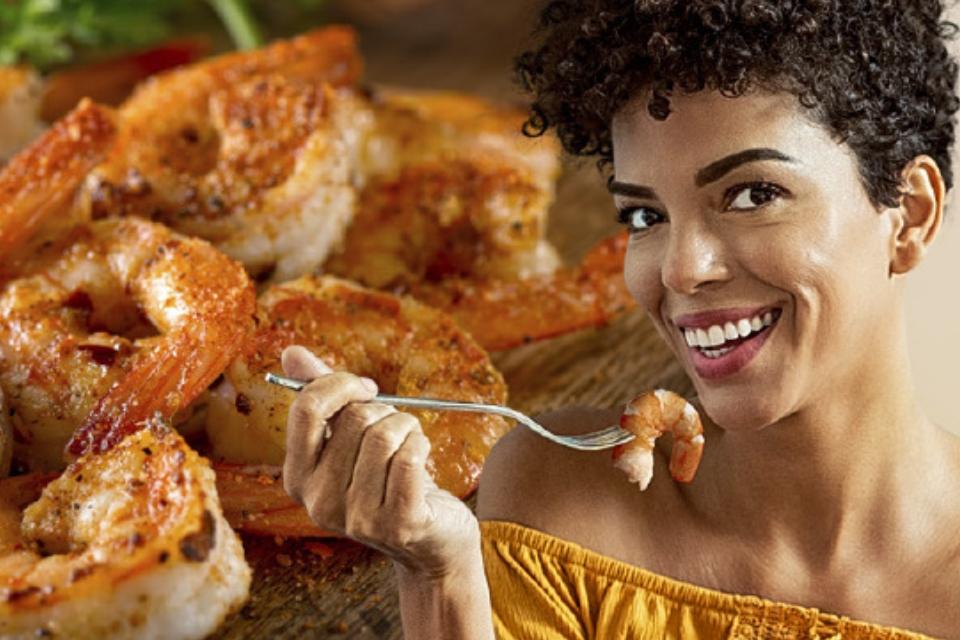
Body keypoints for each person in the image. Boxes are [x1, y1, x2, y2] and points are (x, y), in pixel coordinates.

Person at [279, 1, 960, 637]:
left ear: (911, 215)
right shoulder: (559, 502)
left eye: (754, 194)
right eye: (646, 216)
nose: (679, 269)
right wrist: (436, 573)